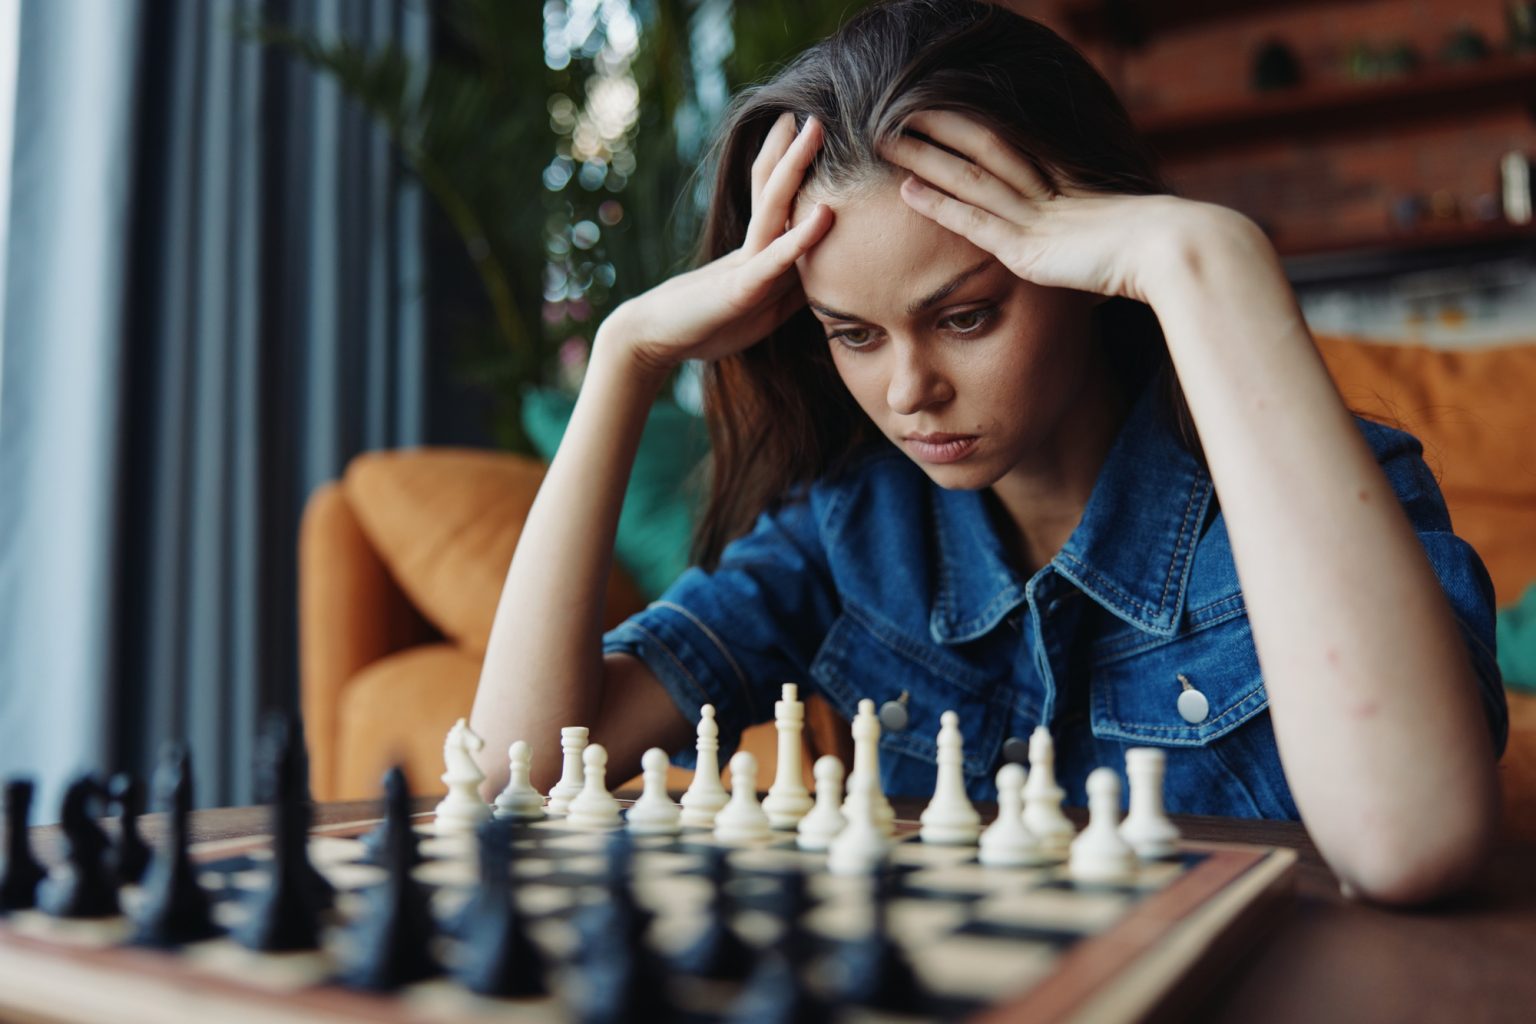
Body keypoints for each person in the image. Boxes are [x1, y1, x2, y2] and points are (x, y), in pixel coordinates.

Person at [469, 0, 1505, 904]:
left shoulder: (1311, 498)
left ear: (1078, 263)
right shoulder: (850, 537)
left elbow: (1412, 845)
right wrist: (624, 356)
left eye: (965, 316)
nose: (909, 390)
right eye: (854, 335)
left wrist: (1203, 256)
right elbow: (516, 770)